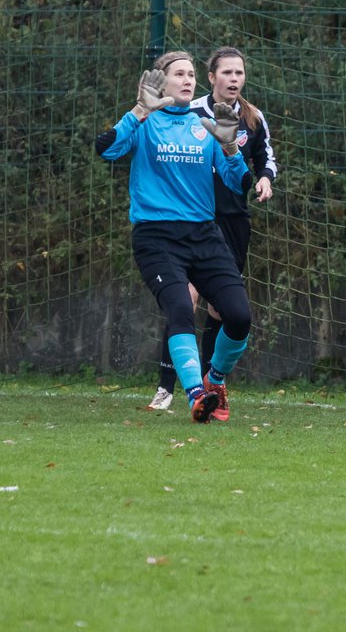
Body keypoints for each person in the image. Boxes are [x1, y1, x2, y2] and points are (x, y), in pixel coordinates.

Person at [96, 51, 252, 424]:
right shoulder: (145, 122)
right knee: (181, 309)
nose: (187, 80)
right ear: (160, 82)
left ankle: (213, 381)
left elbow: (240, 183)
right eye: (178, 74)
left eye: (191, 74)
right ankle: (195, 397)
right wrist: (138, 111)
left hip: (204, 234)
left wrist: (230, 147)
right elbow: (106, 148)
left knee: (239, 316)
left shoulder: (207, 125)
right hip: (157, 236)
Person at [148, 46, 277, 411]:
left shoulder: (253, 118)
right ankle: (166, 387)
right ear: (212, 77)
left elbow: (266, 158)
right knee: (184, 300)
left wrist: (265, 179)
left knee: (223, 311)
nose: (234, 79)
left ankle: (211, 385)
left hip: (233, 221)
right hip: (195, 219)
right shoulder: (189, 111)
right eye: (227, 73)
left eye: (239, 73)